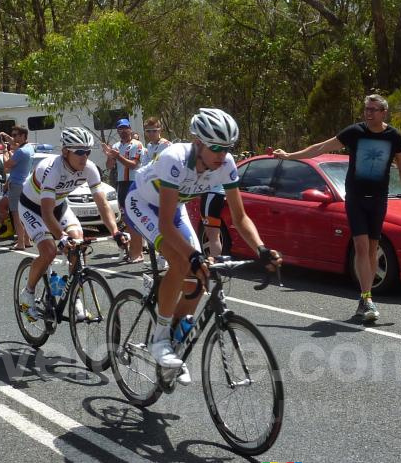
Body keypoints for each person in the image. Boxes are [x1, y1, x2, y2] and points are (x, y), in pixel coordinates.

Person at [124, 108, 281, 383]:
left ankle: (173, 342)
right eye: (216, 148)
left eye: (228, 148)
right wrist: (194, 256)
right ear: (198, 143)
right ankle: (159, 340)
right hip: (143, 205)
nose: (222, 155)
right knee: (184, 262)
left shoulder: (226, 164)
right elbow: (164, 226)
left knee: (199, 276)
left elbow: (240, 216)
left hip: (175, 210)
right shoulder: (175, 159)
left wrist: (261, 249)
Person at [273, 94, 401, 322]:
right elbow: (321, 147)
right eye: (366, 109)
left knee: (372, 248)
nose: (368, 113)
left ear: (384, 112)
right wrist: (291, 156)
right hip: (356, 198)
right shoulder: (355, 132)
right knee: (361, 246)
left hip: (379, 199)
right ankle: (367, 297)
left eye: (373, 109)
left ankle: (365, 299)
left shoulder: (394, 136)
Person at [18, 127, 128, 320]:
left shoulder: (89, 169)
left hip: (59, 206)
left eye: (87, 151)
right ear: (65, 151)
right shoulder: (51, 169)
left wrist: (116, 232)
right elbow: (45, 211)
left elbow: (102, 204)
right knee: (50, 251)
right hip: (32, 208)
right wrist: (60, 238)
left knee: (79, 242)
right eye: (79, 152)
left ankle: (73, 297)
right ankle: (28, 293)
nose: (84, 156)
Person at [102, 118, 146, 262]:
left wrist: (117, 156)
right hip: (122, 183)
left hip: (135, 182)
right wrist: (109, 156)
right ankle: (133, 248)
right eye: (120, 129)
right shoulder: (116, 145)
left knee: (136, 215)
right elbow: (109, 166)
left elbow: (133, 165)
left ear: (130, 129)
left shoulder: (137, 144)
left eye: (125, 128)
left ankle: (140, 250)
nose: (123, 131)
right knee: (126, 217)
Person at [0, 126, 34, 250]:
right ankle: (27, 240)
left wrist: (4, 151)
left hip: (17, 185)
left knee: (16, 214)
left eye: (15, 135)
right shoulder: (29, 148)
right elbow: (17, 145)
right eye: (12, 135)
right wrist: (8, 138)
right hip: (26, 184)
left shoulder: (20, 152)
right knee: (25, 214)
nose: (13, 138)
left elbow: (7, 166)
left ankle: (20, 243)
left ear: (23, 136)